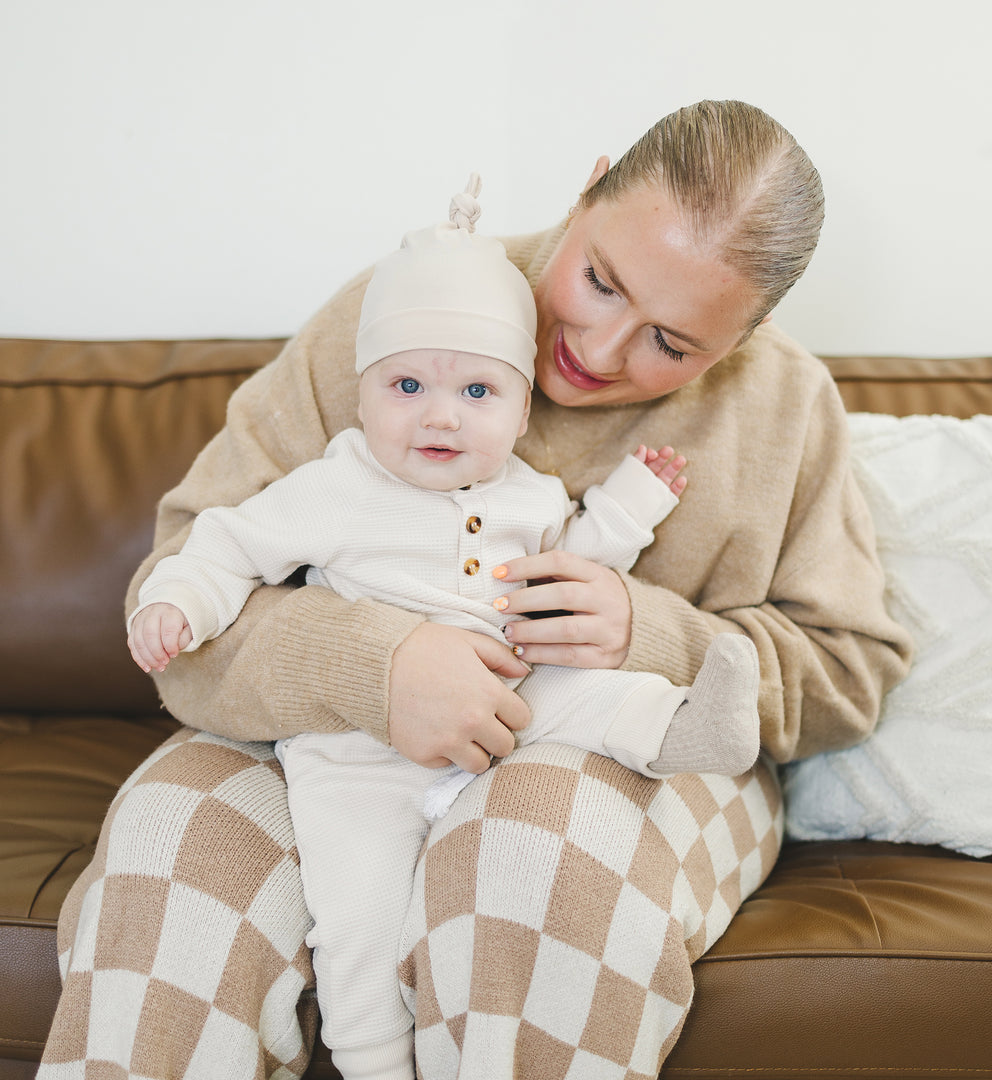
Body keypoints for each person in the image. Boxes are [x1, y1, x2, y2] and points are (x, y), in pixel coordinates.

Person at [40, 100, 912, 1080]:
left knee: (533, 852)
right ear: (587, 189)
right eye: (599, 280)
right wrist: (377, 668)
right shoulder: (407, 311)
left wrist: (652, 635)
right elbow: (184, 587)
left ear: (746, 337)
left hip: (629, 751)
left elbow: (852, 671)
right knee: (175, 852)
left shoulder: (786, 404)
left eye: (672, 343)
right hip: (323, 742)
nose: (603, 348)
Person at [124, 185, 762, 1080]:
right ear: (366, 388)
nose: (440, 415)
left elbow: (579, 556)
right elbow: (223, 541)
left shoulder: (527, 492)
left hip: (519, 704)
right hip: (354, 756)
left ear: (516, 408)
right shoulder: (337, 484)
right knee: (356, 909)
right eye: (408, 386)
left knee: (592, 701)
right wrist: (183, 604)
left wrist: (633, 512)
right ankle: (374, 1055)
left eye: (476, 391)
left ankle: (679, 727)